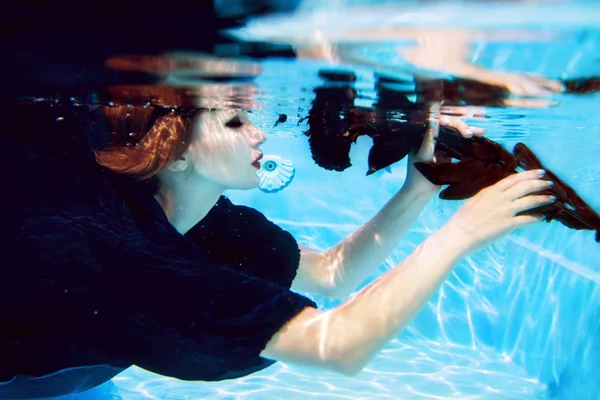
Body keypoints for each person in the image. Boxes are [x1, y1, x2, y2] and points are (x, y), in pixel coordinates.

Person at [1, 99, 555, 399]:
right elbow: (338, 345)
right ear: (176, 150)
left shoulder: (209, 218)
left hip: (78, 373)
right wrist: (460, 233)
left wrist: (418, 189)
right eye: (236, 120)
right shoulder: (119, 254)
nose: (259, 133)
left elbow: (332, 276)